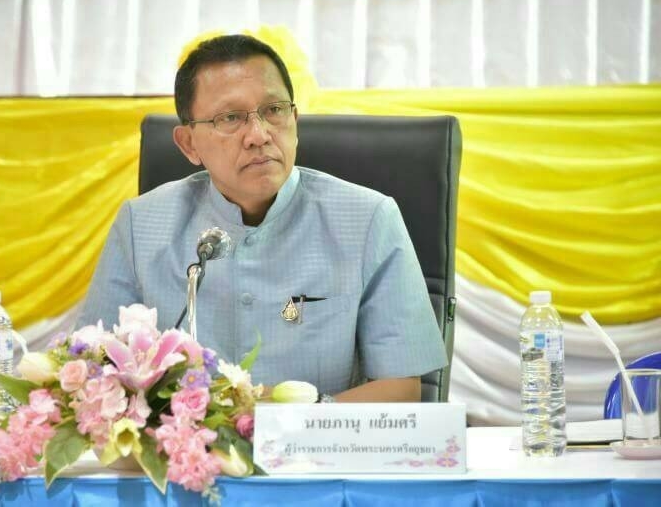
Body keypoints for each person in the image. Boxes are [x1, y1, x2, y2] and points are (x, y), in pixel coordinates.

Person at [78, 34, 447, 402]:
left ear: (295, 120)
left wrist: (281, 415)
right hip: (185, 440)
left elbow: (401, 390)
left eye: (274, 110)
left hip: (319, 439)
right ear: (189, 144)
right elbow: (93, 372)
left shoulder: (368, 220)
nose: (258, 135)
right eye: (230, 118)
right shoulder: (140, 225)